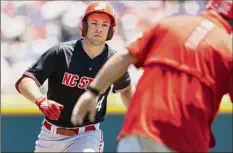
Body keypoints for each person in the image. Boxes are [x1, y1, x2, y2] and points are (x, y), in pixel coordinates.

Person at [71, 0, 233, 152]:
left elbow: (124, 57)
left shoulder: (170, 24)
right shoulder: (228, 48)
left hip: (138, 130)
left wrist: (93, 91)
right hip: (186, 141)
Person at [15, 2, 135, 152]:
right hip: (50, 135)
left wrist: (140, 118)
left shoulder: (114, 61)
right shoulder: (61, 52)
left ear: (111, 30)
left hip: (86, 135)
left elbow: (126, 90)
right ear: (84, 26)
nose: (99, 29)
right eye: (94, 23)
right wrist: (40, 100)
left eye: (104, 25)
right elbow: (26, 81)